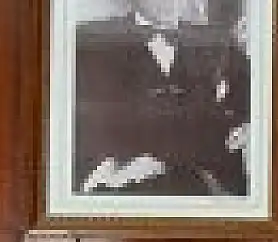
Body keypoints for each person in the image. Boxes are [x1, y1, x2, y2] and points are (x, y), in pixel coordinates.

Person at [72, 0, 251, 196]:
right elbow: (84, 121)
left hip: (205, 180)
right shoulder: (94, 40)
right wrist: (112, 166)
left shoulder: (216, 40)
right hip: (130, 184)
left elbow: (251, 98)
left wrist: (246, 127)